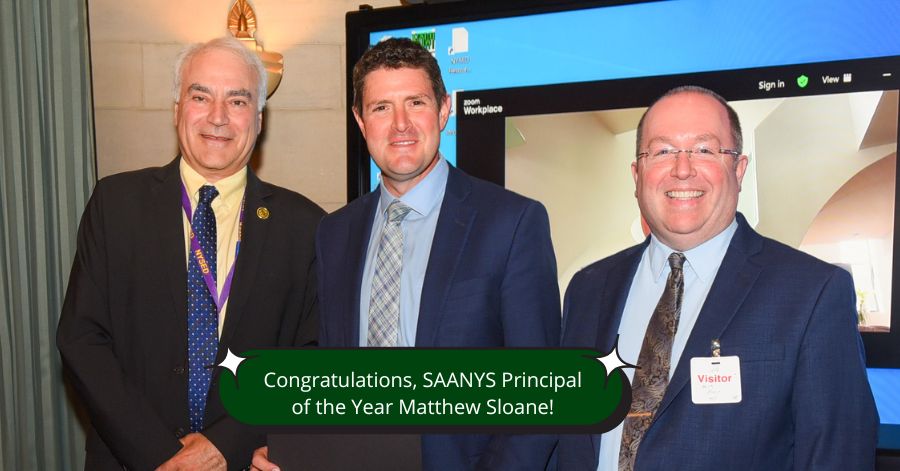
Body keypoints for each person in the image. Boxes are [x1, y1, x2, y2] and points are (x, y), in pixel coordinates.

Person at [252, 38, 561, 470]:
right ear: (361, 122)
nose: (401, 124)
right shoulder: (334, 234)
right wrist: (293, 451)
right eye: (381, 108)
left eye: (415, 102)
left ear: (444, 110)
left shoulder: (511, 224)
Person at [558, 85, 878, 470]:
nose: (682, 168)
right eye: (662, 151)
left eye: (705, 149)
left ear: (739, 169)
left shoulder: (812, 294)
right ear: (637, 173)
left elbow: (838, 456)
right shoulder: (588, 289)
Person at [57, 36, 324, 471]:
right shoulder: (115, 203)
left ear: (259, 118)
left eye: (237, 101)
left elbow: (310, 357)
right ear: (177, 108)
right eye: (200, 96)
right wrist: (163, 457)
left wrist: (224, 445)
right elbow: (82, 340)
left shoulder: (305, 225)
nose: (217, 117)